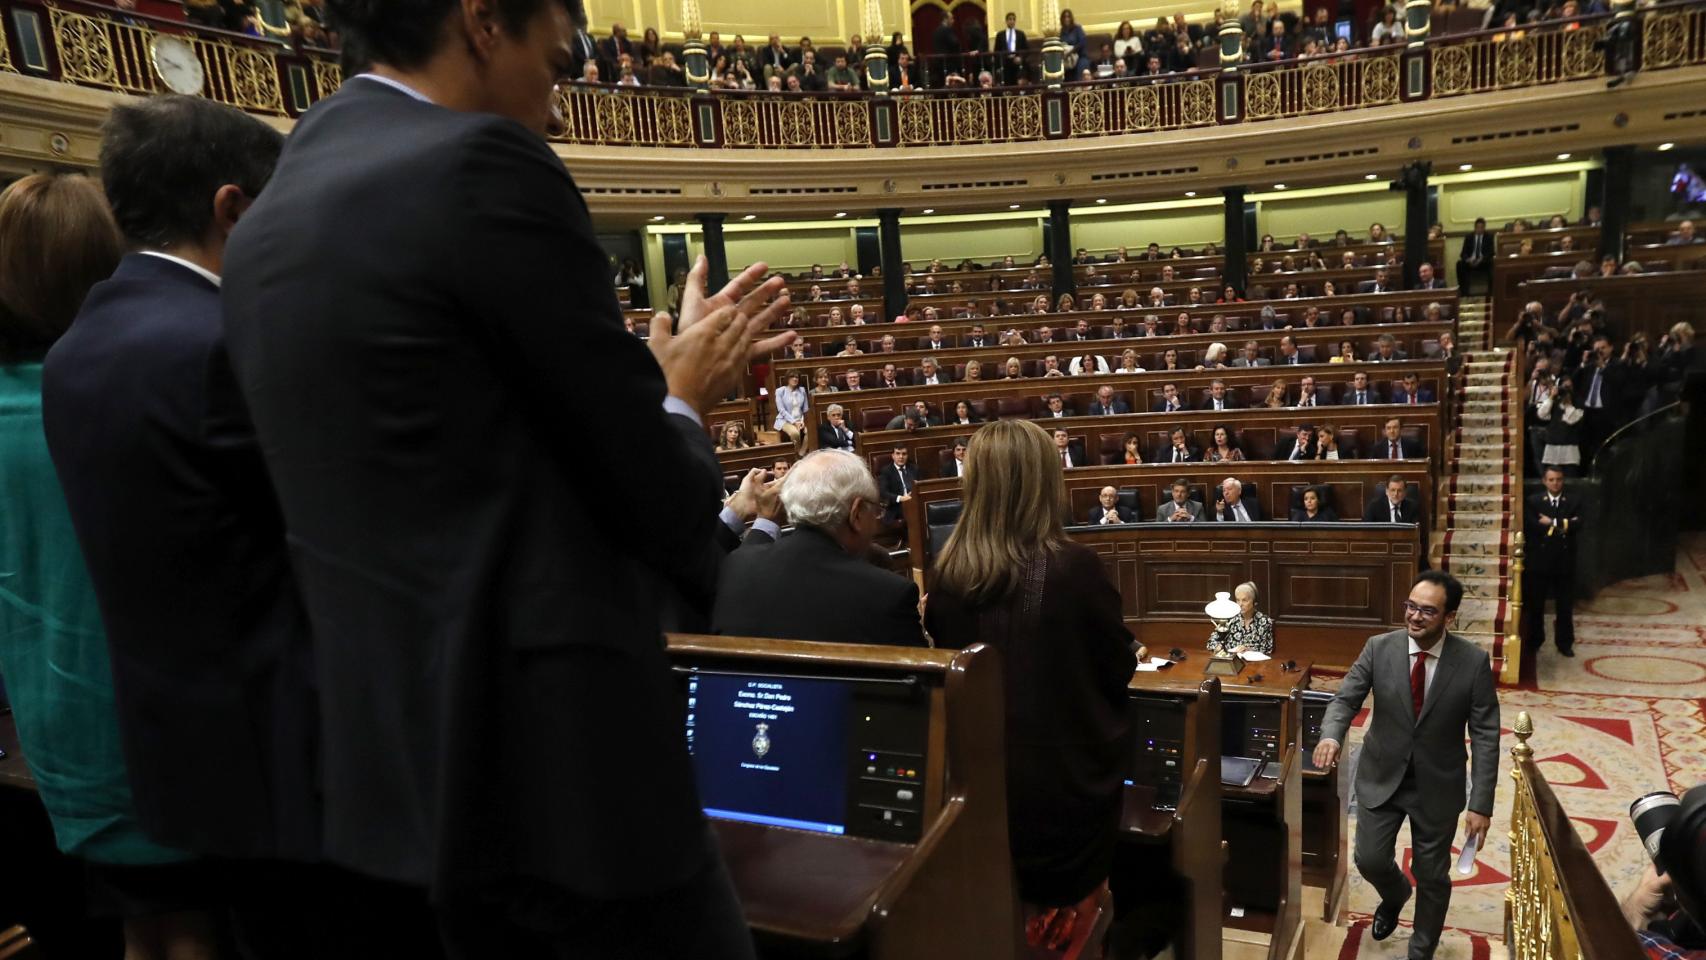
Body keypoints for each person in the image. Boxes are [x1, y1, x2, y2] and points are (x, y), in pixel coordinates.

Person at [219, 0, 799, 944]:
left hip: (392, 782)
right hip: (561, 783)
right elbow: (657, 501)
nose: (561, 107)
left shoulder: (270, 214)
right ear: (483, 21)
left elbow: (465, 463)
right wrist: (682, 396)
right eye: (560, 62)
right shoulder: (481, 165)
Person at [0, 172, 225, 958]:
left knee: (147, 927)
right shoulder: (113, 388)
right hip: (154, 713)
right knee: (193, 928)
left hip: (51, 727)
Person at [924, 419, 1139, 943]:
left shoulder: (947, 576)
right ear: (1044, 483)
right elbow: (1117, 668)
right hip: (1064, 799)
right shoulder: (1076, 569)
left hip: (980, 800)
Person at [1313, 571, 1499, 960]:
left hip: (1438, 784)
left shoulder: (1473, 662)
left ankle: (1421, 950)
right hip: (1382, 775)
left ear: (1449, 618)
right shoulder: (1379, 648)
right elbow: (1345, 699)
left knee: (1433, 876)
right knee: (1369, 858)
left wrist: (1480, 804)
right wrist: (1331, 735)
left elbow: (1485, 735)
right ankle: (1396, 894)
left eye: (1427, 611)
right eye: (1410, 606)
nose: (1414, 617)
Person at [713, 450, 923, 647]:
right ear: (856, 514)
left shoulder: (735, 566)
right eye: (875, 510)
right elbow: (923, 680)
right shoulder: (890, 595)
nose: (876, 519)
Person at [1523, 466, 1580, 657]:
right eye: (1551, 479)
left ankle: (1564, 643)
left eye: (1559, 479)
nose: (1555, 483)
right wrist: (1564, 524)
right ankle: (1535, 641)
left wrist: (1552, 523)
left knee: (1564, 606)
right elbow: (1533, 525)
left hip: (1564, 562)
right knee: (1536, 605)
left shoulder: (1573, 500)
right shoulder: (1534, 501)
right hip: (1540, 561)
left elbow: (1578, 524)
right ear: (1544, 481)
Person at [1207, 582, 1274, 655]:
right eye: (1238, 600)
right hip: (1231, 661)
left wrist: (1248, 649)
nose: (1240, 604)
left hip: (1254, 663)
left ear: (1254, 602)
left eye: (1244, 600)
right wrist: (1218, 647)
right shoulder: (1230, 618)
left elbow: (1267, 648)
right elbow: (1211, 642)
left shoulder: (1264, 621)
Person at [877, 443, 919, 523]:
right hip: (897, 506)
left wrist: (914, 494)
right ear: (893, 456)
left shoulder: (914, 469)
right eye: (898, 453)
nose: (901, 457)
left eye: (904, 454)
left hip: (914, 503)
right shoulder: (886, 471)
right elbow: (883, 492)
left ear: (907, 455)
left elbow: (921, 486)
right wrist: (901, 498)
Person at [773, 370, 809, 453]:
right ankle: (795, 455)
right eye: (792, 377)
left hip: (800, 419)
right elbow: (781, 410)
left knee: (810, 432)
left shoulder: (802, 390)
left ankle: (801, 453)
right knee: (795, 433)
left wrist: (802, 421)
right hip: (785, 420)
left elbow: (805, 409)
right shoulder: (780, 391)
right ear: (787, 379)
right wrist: (794, 422)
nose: (795, 379)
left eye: (796, 377)